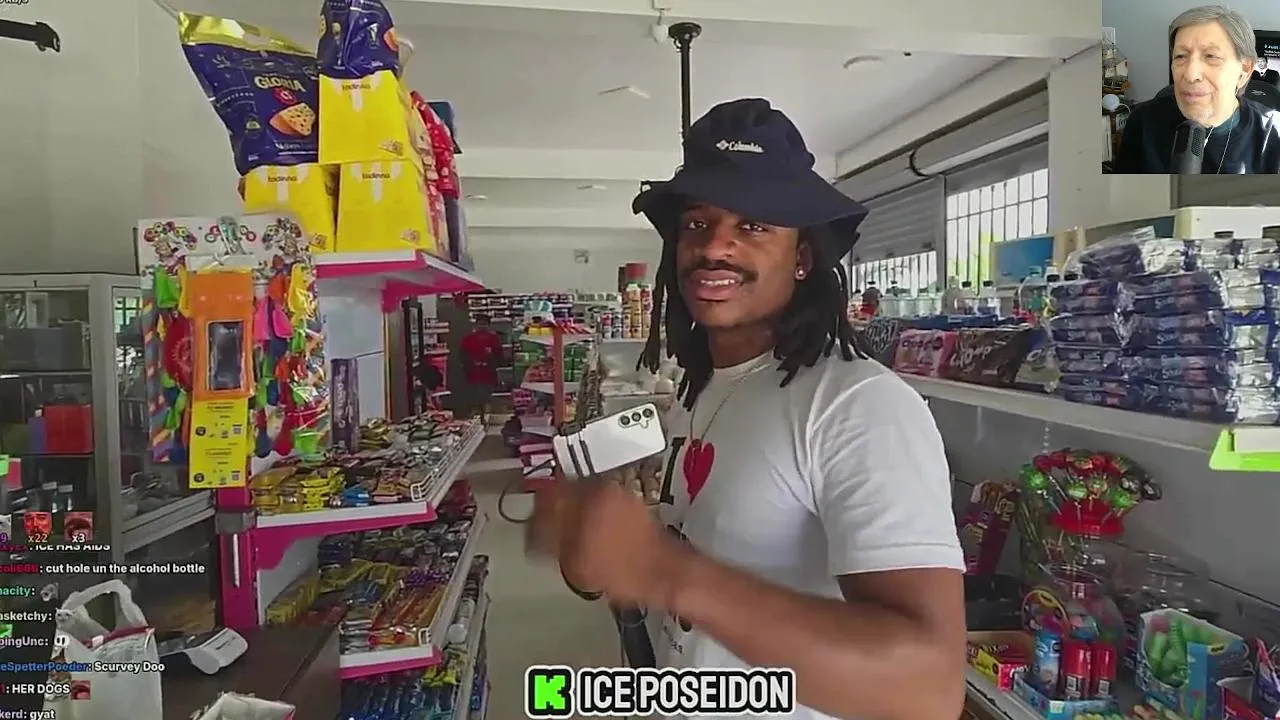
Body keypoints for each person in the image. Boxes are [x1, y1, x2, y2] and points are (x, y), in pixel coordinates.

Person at [528, 98, 965, 720]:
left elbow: (926, 692)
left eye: (754, 225)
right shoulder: (699, 386)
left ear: (802, 256)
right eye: (697, 223)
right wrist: (596, 551)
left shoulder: (860, 406)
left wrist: (664, 571)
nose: (715, 246)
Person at [1113, 5, 1280, 174]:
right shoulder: (1143, 122)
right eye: (1180, 56)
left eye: (1211, 56)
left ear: (1244, 70)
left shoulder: (1274, 136)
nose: (1191, 75)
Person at [458, 314, 503, 419]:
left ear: (489, 325)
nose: (482, 326)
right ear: (476, 325)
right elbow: (462, 356)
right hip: (473, 374)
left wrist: (491, 362)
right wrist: (470, 365)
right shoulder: (468, 339)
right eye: (480, 324)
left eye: (485, 324)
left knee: (486, 396)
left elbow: (500, 357)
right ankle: (475, 417)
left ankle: (485, 417)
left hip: (488, 374)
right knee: (474, 397)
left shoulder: (494, 339)